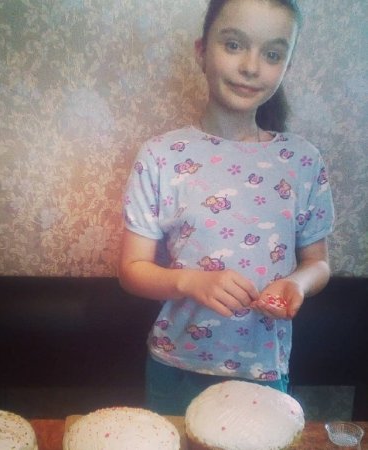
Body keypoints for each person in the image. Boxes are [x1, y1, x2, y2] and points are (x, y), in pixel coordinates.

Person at [118, 0, 334, 415]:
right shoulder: (162, 155)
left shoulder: (302, 160)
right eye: (234, 45)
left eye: (272, 54)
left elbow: (318, 263)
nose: (251, 67)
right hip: (176, 368)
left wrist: (297, 284)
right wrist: (190, 282)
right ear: (202, 52)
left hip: (265, 371)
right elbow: (131, 270)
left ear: (286, 65)